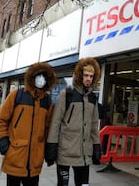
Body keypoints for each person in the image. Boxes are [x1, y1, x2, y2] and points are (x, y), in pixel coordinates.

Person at [0, 62, 57, 186]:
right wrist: (4, 146)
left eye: (44, 76)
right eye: (39, 75)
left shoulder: (47, 101)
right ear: (32, 77)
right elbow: (0, 121)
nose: (41, 79)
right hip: (15, 157)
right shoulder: (17, 95)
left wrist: (49, 152)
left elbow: (49, 129)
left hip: (35, 161)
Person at [45, 57, 101, 186]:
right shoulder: (67, 94)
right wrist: (51, 147)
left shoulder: (93, 98)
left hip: (84, 154)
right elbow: (55, 123)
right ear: (80, 75)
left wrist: (97, 147)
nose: (88, 79)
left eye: (91, 76)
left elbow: (93, 126)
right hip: (65, 151)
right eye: (86, 75)